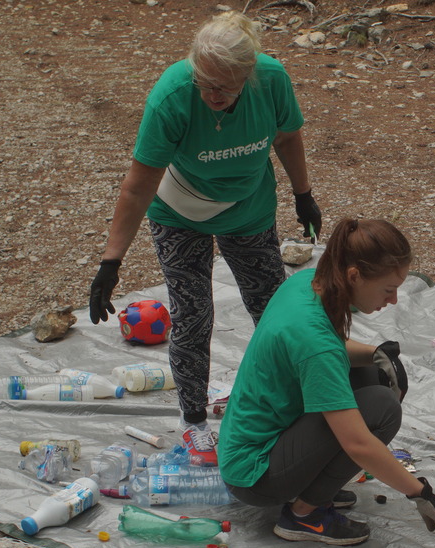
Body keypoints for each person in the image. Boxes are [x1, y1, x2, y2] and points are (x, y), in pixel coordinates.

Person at [87, 11, 322, 467]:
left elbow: (288, 138)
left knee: (273, 309)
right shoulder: (173, 96)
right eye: (205, 83)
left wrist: (303, 194)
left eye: (224, 87)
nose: (212, 95)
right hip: (181, 212)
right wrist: (111, 261)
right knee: (193, 314)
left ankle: (293, 406)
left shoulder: (271, 80)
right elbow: (138, 184)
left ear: (247, 76)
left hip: (248, 207)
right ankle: (194, 421)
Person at [217, 218, 435, 546]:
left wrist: (376, 354)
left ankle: (313, 485)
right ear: (354, 275)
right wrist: (420, 493)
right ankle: (305, 517)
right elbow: (357, 441)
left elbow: (323, 352)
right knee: (382, 408)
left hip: (257, 441)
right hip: (255, 475)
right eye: (388, 289)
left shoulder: (307, 283)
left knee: (369, 374)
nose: (395, 301)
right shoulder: (315, 342)